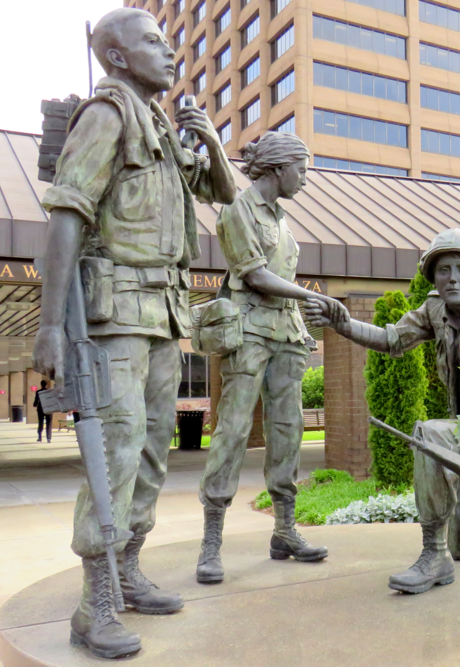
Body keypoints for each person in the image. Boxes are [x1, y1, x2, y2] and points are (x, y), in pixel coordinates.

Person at [31, 7, 237, 659]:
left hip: (163, 314)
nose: (170, 49)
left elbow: (225, 191)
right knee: (115, 452)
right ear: (118, 57)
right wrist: (49, 325)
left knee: (152, 450)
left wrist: (211, 138)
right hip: (115, 311)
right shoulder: (108, 115)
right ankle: (93, 605)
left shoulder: (164, 130)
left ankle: (128, 567)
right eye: (155, 41)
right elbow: (67, 214)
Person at [302, 229, 460, 594]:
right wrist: (341, 324)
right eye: (444, 270)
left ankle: (436, 553)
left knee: (428, 432)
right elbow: (392, 339)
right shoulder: (434, 308)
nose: (453, 278)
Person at [195, 132, 340, 584]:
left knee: (288, 431)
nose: (304, 179)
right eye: (301, 169)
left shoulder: (283, 220)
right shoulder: (238, 209)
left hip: (285, 335)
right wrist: (311, 296)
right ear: (278, 168)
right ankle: (211, 542)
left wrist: (302, 310)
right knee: (233, 431)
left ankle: (285, 531)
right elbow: (254, 275)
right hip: (249, 332)